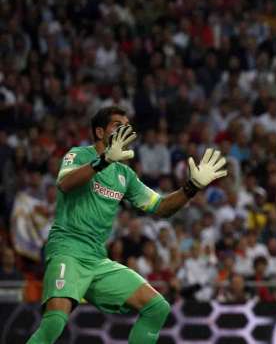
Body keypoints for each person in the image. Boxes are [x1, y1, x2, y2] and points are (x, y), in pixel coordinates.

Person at [27, 106, 228, 344]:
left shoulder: (125, 175)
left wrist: (191, 187)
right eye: (117, 125)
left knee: (156, 307)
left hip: (97, 259)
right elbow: (66, 184)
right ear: (100, 132)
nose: (125, 129)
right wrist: (103, 161)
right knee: (54, 321)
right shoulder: (79, 154)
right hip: (67, 251)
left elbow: (161, 207)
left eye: (127, 125)